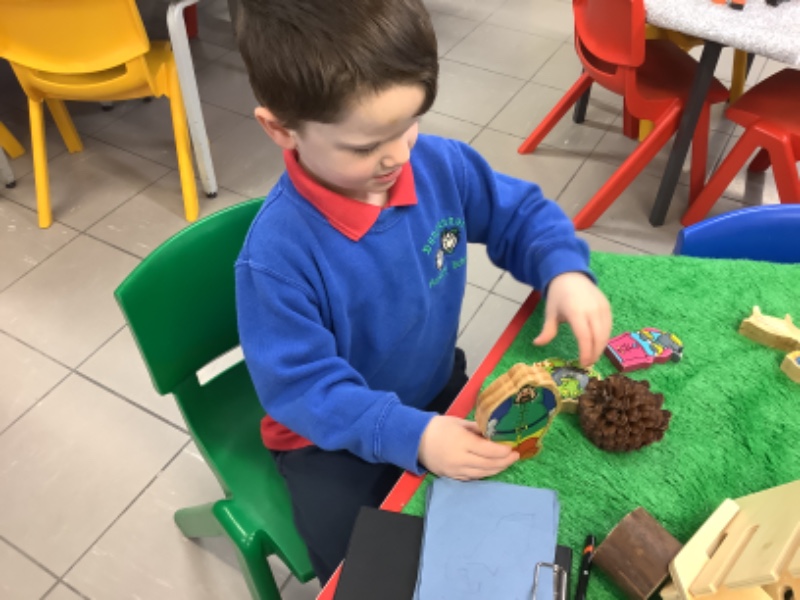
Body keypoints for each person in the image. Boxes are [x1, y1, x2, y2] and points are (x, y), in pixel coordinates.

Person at [233, 0, 612, 584]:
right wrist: (412, 435)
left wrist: (563, 270)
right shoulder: (276, 257)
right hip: (328, 440)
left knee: (506, 524)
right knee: (370, 575)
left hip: (434, 388)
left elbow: (519, 216)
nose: (397, 155)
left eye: (409, 124)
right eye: (365, 146)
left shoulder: (439, 166)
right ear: (281, 129)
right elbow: (301, 387)